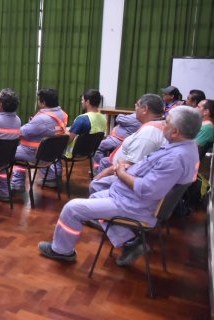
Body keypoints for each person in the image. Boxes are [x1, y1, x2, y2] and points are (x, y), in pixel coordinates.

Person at [38, 106, 201, 265]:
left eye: (167, 123)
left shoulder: (175, 158)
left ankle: (61, 251)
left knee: (72, 208)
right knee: (95, 195)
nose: (163, 124)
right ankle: (130, 243)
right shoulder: (186, 147)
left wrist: (122, 173)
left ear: (175, 132)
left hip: (136, 205)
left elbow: (147, 189)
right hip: (133, 198)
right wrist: (127, 168)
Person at [93, 94, 166, 181]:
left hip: (120, 174)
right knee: (104, 161)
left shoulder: (148, 134)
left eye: (137, 105)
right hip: (117, 164)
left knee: (96, 184)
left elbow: (130, 165)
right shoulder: (159, 124)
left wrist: (103, 174)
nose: (135, 109)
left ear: (145, 109)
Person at [9, 88, 68, 192]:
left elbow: (19, 133)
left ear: (43, 102)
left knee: (9, 152)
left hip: (36, 154)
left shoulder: (42, 119)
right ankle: (50, 178)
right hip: (52, 153)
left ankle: (16, 184)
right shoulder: (62, 114)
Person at [64, 89, 107, 157]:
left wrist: (64, 131)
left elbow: (69, 140)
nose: (81, 102)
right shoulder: (103, 118)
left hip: (74, 153)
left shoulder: (82, 119)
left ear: (87, 102)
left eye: (82, 100)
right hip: (90, 152)